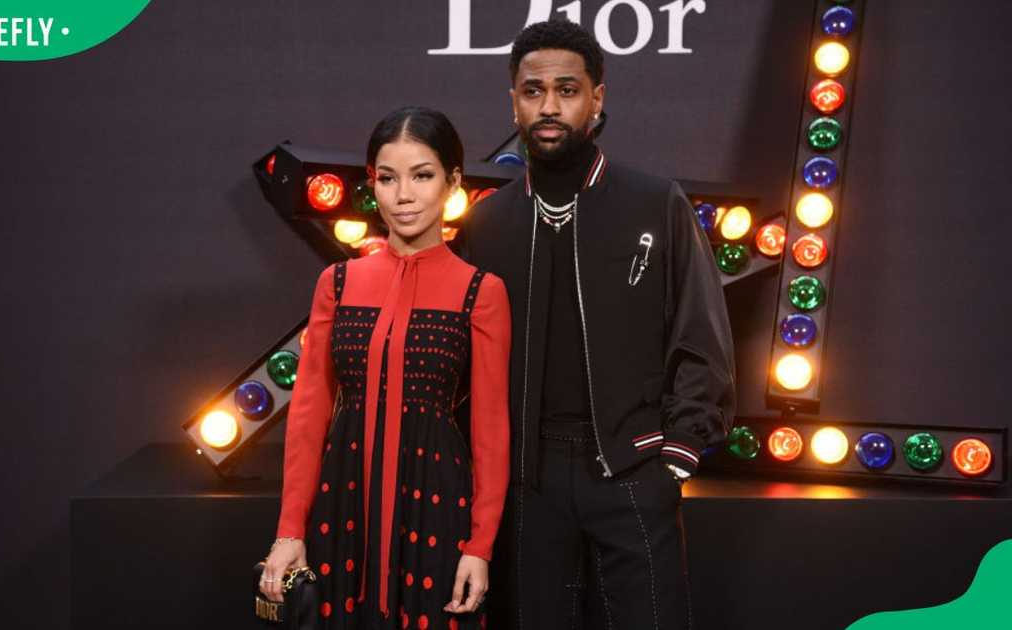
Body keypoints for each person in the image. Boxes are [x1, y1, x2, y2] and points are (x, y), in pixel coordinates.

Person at [460, 20, 736, 629]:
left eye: (567, 89)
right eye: (533, 91)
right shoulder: (487, 225)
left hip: (634, 464)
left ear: (597, 98)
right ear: (514, 101)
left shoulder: (655, 202)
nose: (550, 106)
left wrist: (679, 457)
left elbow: (702, 337)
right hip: (527, 481)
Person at [260, 106, 512, 629]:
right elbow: (307, 417)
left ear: (453, 182)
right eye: (388, 178)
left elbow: (490, 431)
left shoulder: (481, 291)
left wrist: (480, 546)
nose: (403, 195)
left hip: (438, 507)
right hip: (341, 504)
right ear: (372, 184)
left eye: (422, 176)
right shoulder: (337, 283)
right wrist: (290, 531)